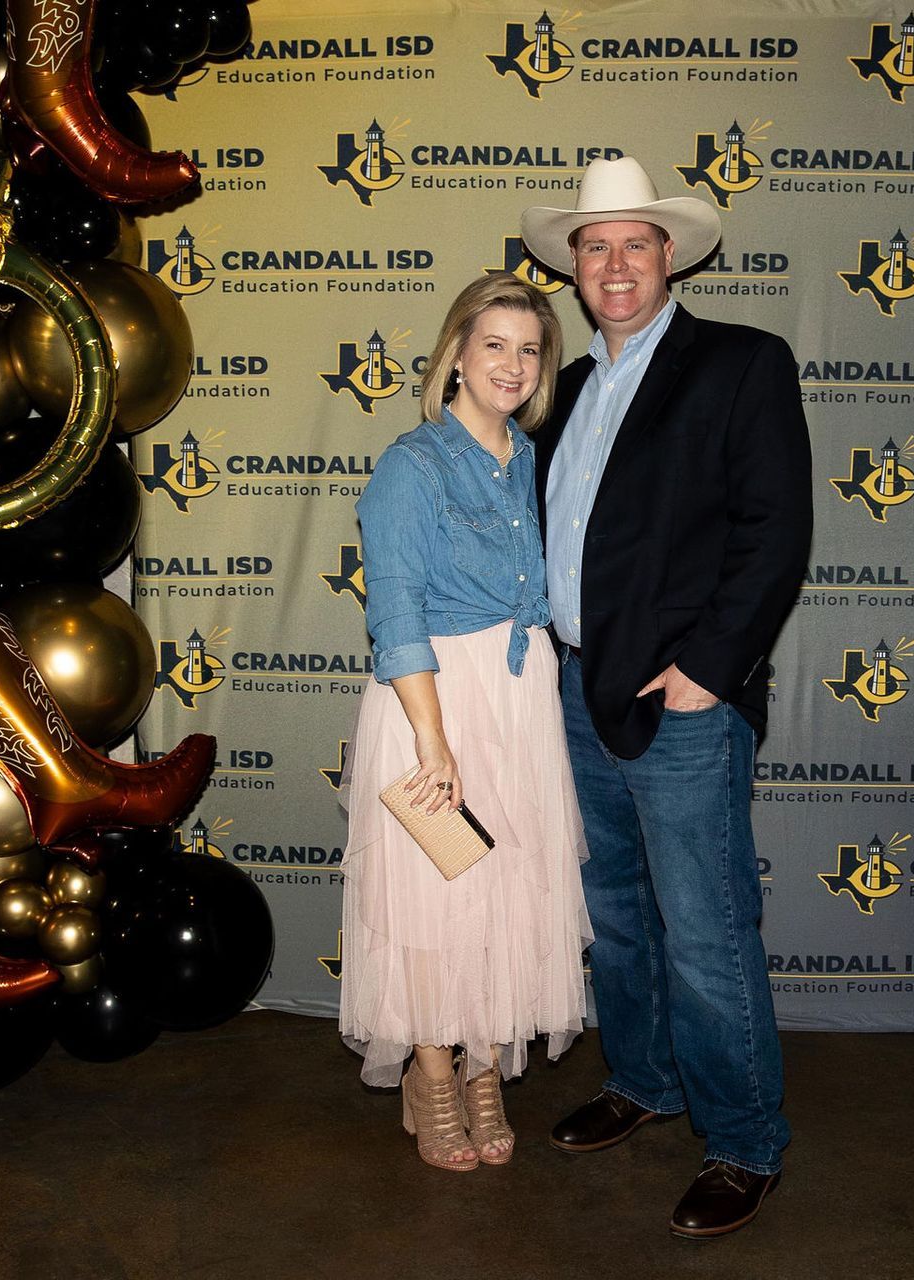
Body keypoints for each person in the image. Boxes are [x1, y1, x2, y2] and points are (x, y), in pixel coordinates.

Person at [520, 158, 812, 1236]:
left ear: (672, 255)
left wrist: (709, 669)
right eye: (594, 247)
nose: (614, 263)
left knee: (704, 931)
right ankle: (645, 1080)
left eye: (634, 243)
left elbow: (774, 531)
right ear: (573, 267)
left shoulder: (740, 363)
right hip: (573, 690)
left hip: (684, 699)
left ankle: (744, 1139)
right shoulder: (564, 388)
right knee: (617, 922)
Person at [339, 273, 592, 1173]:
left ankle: (486, 1068)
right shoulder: (412, 465)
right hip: (436, 701)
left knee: (509, 891)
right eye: (495, 345)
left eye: (531, 350)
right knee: (439, 897)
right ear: (456, 352)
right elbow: (395, 614)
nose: (514, 366)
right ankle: (434, 1075)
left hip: (523, 704)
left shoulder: (529, 460)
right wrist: (432, 744)